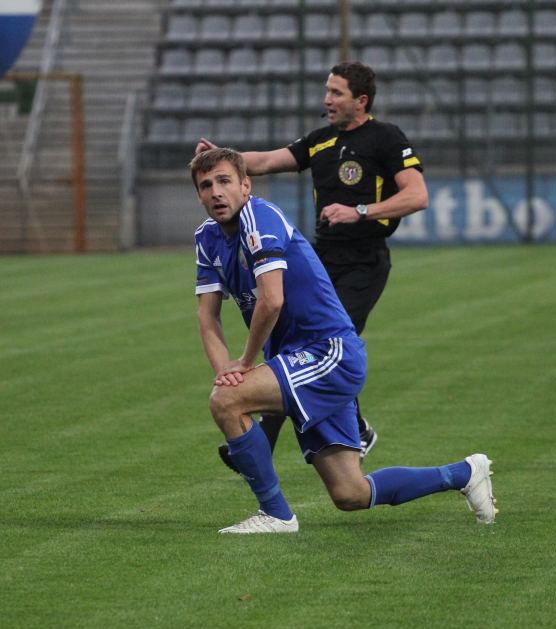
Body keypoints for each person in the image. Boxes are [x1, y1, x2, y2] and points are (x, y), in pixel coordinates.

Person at [191, 147, 496, 534]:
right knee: (350, 493)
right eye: (206, 185)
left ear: (245, 186)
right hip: (301, 360)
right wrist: (226, 372)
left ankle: (276, 515)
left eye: (224, 181)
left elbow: (271, 300)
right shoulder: (207, 238)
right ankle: (464, 473)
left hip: (327, 353)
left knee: (225, 402)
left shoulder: (259, 216)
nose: (216, 192)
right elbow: (208, 316)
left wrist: (244, 365)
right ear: (199, 196)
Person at [196, 60, 428, 466]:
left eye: (336, 92)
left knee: (327, 343)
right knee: (295, 348)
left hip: (365, 261)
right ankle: (354, 429)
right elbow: (265, 161)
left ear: (361, 100)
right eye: (327, 91)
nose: (327, 99)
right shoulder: (320, 141)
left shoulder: (386, 138)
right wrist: (219, 160)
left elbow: (417, 196)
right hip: (322, 261)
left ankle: (265, 446)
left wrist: (358, 211)